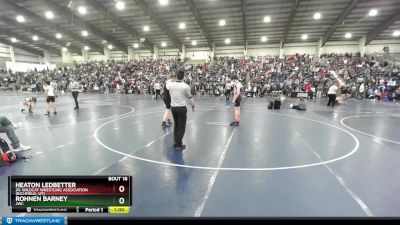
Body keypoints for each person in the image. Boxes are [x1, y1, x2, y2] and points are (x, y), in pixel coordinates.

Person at [166, 70, 195, 150]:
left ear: (176, 76)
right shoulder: (185, 86)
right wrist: (193, 106)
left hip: (173, 108)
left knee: (176, 125)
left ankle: (176, 142)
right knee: (181, 126)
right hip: (181, 108)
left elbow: (167, 83)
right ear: (183, 76)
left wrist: (171, 79)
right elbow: (190, 98)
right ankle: (179, 145)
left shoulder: (170, 85)